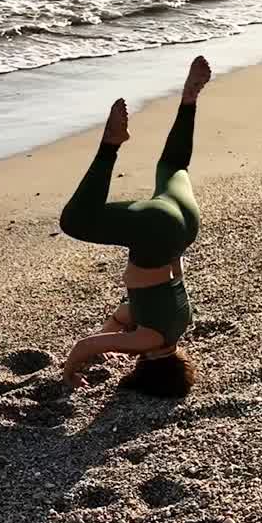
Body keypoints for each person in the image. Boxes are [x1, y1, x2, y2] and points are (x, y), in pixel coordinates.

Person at [59, 55, 211, 394]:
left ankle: (189, 99)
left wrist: (106, 339)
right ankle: (110, 146)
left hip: (184, 227)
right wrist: (72, 368)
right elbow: (84, 346)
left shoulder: (176, 324)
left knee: (173, 164)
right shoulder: (148, 340)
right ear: (148, 369)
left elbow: (122, 315)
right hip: (156, 234)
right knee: (75, 221)